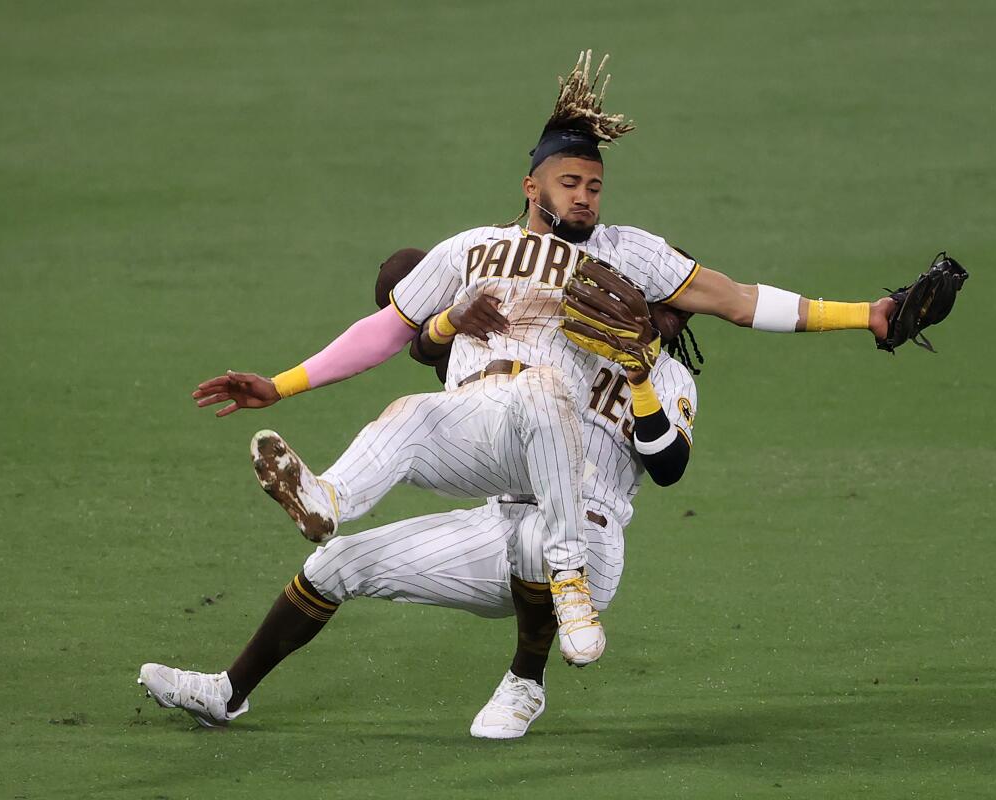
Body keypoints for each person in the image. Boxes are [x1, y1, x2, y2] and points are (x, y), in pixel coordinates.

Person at [188, 51, 895, 666]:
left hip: (562, 446)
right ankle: (327, 500)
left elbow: (740, 300)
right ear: (533, 186)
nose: (585, 197)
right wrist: (279, 387)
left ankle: (553, 628)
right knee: (408, 414)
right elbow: (384, 333)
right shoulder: (470, 250)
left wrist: (866, 315)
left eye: (594, 187)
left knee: (540, 391)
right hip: (487, 437)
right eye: (570, 184)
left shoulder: (629, 253)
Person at [139, 252, 701, 737]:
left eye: (680, 305)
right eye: (659, 295)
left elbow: (670, 466)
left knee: (538, 536)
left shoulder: (673, 381)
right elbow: (426, 325)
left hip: (589, 546)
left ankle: (526, 682)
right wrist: (430, 308)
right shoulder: (552, 335)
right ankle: (227, 692)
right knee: (338, 561)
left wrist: (639, 374)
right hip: (497, 528)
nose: (666, 311)